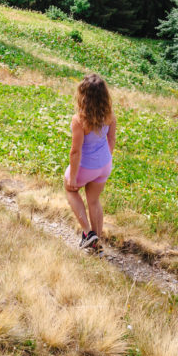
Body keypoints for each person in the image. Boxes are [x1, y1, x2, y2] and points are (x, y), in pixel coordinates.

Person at [64, 73, 116, 251]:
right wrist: (104, 159)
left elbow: (76, 151)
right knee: (94, 201)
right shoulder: (109, 114)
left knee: (70, 189)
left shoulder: (79, 120)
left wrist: (72, 177)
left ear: (83, 95)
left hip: (86, 166)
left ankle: (88, 233)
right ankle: (97, 245)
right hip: (105, 165)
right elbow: (111, 139)